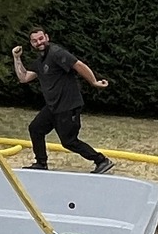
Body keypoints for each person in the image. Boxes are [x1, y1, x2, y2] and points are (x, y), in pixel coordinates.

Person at [12, 26, 115, 174]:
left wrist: (94, 82)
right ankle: (41, 163)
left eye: (41, 38)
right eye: (34, 41)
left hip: (68, 106)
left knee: (69, 141)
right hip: (52, 107)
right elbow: (24, 78)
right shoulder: (40, 61)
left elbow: (79, 65)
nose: (38, 42)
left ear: (47, 37)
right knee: (35, 128)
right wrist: (16, 58)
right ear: (31, 44)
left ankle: (101, 160)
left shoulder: (56, 53)